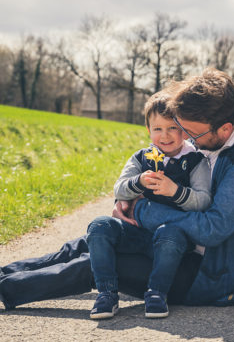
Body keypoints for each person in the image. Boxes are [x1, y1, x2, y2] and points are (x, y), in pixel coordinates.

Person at [0, 69, 234, 314]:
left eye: (194, 136)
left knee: (98, 263)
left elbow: (213, 230)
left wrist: (141, 210)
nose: (187, 141)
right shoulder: (217, 125)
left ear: (226, 128)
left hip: (208, 276)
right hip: (179, 244)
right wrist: (133, 195)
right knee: (93, 239)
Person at [86, 88, 211, 320]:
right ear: (148, 130)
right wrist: (139, 182)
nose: (165, 136)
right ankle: (106, 293)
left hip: (173, 240)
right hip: (137, 231)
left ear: (183, 129)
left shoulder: (194, 161)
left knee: (169, 233)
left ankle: (156, 293)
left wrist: (175, 191)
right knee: (99, 226)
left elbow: (203, 201)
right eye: (158, 129)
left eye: (172, 128)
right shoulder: (141, 158)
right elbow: (119, 188)